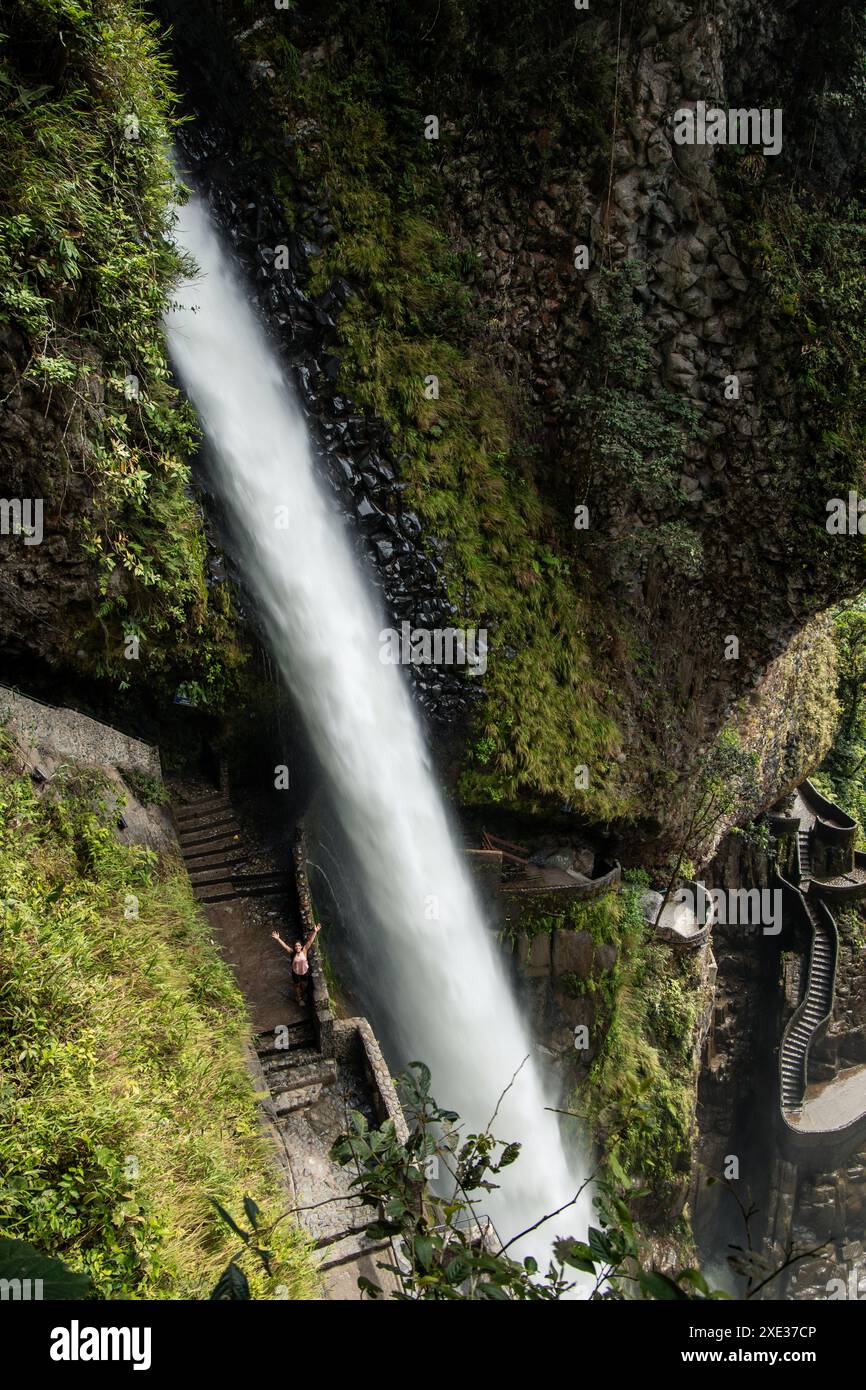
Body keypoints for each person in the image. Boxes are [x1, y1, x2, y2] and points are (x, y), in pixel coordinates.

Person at [271, 922, 320, 1005]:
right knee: (297, 986)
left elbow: (310, 941)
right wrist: (278, 939)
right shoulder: (292, 952)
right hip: (296, 973)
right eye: (296, 946)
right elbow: (285, 946)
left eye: (299, 946)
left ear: (301, 946)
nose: (297, 947)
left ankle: (303, 994)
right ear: (294, 947)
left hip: (305, 972)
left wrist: (315, 931)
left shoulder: (304, 950)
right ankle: (299, 998)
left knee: (304, 984)